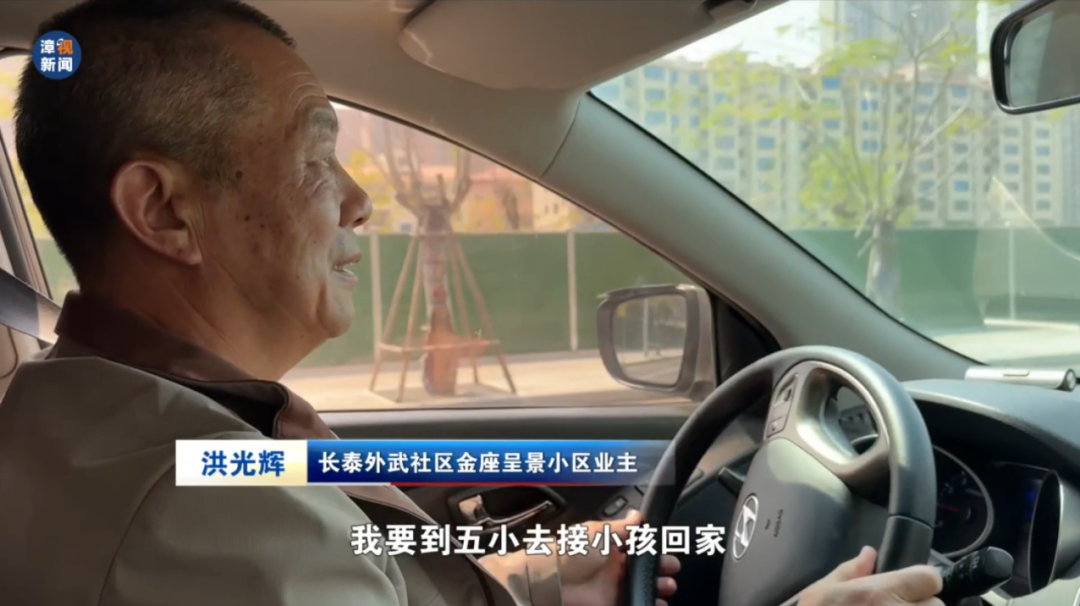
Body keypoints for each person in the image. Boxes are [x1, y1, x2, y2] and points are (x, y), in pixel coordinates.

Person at [0, 1, 943, 606]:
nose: (359, 201)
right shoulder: (195, 518)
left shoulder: (98, 418)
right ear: (165, 211)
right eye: (317, 158)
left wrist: (547, 583)